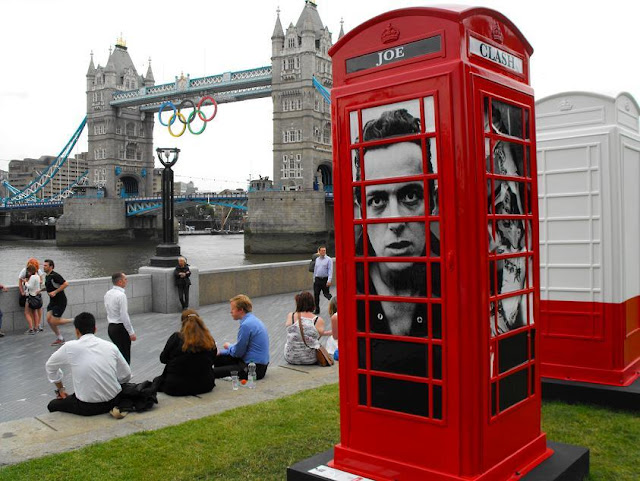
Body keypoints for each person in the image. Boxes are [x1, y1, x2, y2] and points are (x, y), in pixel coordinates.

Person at [353, 108, 439, 337]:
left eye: (410, 196)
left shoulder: (457, 279)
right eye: (378, 200)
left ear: (432, 201)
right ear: (361, 209)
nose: (396, 220)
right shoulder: (350, 284)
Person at [45, 312, 131, 416]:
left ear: (77, 331)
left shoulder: (70, 347)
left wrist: (61, 389)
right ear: (95, 329)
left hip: (88, 406)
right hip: (114, 400)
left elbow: (50, 366)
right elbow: (126, 374)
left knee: (52, 405)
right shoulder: (110, 346)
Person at [154, 309, 217, 396]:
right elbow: (213, 359)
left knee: (157, 381)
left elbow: (163, 359)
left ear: (182, 322)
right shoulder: (209, 339)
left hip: (175, 387)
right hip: (205, 385)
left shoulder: (176, 338)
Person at [213, 294, 269, 380]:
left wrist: (228, 346)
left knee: (213, 372)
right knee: (218, 358)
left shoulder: (246, 325)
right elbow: (240, 348)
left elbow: (238, 353)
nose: (231, 312)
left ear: (241, 310)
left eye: (233, 309)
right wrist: (222, 352)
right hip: (258, 365)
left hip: (253, 369)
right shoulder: (253, 320)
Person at [284, 291, 326, 365]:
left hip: (290, 357)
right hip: (310, 359)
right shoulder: (318, 320)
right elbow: (318, 337)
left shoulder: (291, 316)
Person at [104, 272, 136, 364]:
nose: (126, 281)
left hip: (111, 327)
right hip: (120, 329)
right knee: (125, 355)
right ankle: (125, 372)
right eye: (125, 279)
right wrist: (131, 332)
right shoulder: (121, 295)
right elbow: (124, 315)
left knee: (118, 354)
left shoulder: (108, 293)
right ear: (120, 282)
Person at [43, 259, 73, 346]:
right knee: (49, 320)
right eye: (43, 265)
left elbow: (66, 284)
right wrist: (40, 290)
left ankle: (74, 320)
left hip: (60, 301)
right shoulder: (47, 276)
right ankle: (60, 338)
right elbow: (50, 287)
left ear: (51, 266)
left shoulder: (55, 275)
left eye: (45, 265)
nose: (44, 267)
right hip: (52, 301)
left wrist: (55, 292)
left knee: (54, 321)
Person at [19, 259, 44, 334]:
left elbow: (30, 286)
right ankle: (36, 327)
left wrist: (26, 282)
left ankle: (31, 329)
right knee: (35, 312)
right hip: (37, 296)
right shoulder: (37, 276)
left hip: (30, 296)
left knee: (27, 312)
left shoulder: (32, 277)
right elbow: (40, 282)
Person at [312, 246, 333, 315]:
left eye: (324, 250)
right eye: (322, 250)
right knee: (316, 294)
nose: (323, 252)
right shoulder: (317, 259)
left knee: (326, 294)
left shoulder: (329, 259)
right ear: (319, 251)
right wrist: (314, 278)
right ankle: (317, 309)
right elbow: (315, 269)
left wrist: (329, 280)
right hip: (317, 279)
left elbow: (330, 270)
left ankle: (334, 304)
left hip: (325, 279)